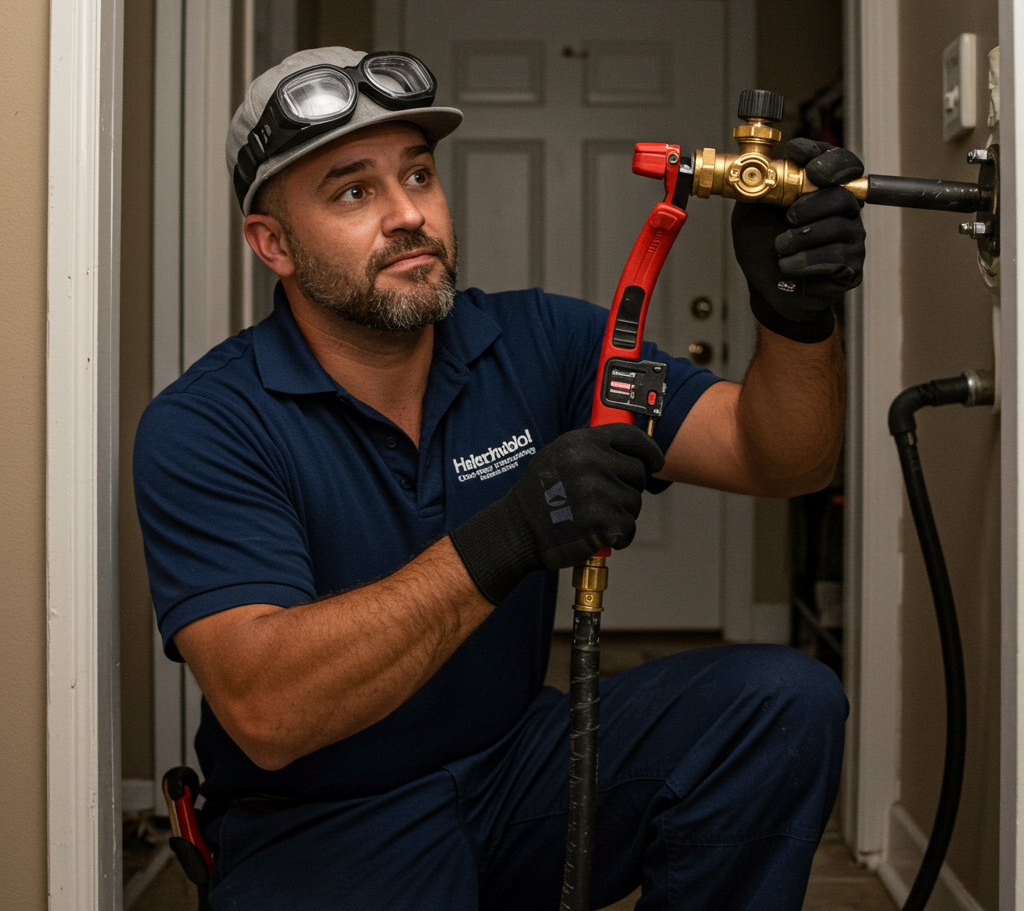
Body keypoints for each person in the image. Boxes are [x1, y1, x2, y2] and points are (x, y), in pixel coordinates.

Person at [134, 46, 863, 910]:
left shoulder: (539, 342)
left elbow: (781, 457)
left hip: (519, 773)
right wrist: (508, 536)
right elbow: (267, 711)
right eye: (353, 191)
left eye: (419, 175)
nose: (409, 214)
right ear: (274, 244)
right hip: (321, 820)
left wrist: (797, 316)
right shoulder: (208, 423)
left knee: (781, 702)